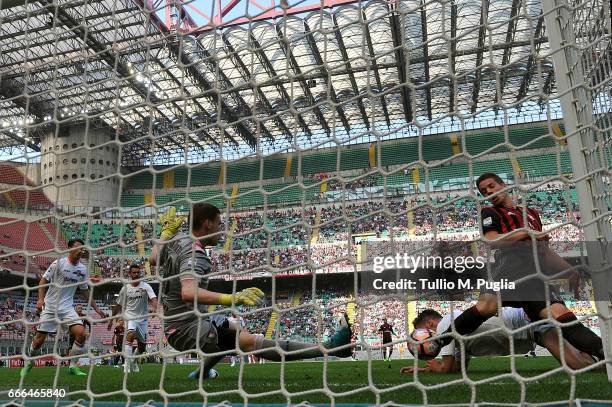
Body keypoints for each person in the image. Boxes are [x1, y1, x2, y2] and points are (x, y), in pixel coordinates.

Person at [151, 204, 353, 381]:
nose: (221, 231)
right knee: (249, 343)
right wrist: (232, 298)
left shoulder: (177, 239)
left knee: (235, 328)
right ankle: (330, 347)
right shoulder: (196, 253)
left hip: (185, 320)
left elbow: (153, 259)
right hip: (184, 328)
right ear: (207, 224)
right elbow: (188, 292)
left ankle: (202, 373)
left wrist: (165, 233)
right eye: (219, 225)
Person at [438, 173, 604, 362]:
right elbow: (492, 240)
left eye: (491, 186)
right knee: (487, 307)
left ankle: (603, 352)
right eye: (483, 191)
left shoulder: (532, 214)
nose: (488, 192)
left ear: (503, 185)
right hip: (508, 268)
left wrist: (569, 270)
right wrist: (523, 232)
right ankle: (441, 341)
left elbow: (543, 251)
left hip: (533, 276)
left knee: (559, 314)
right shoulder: (490, 212)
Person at [402, 308, 594, 374]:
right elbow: (456, 370)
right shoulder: (457, 335)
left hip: (529, 323)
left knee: (581, 365)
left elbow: (446, 368)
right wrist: (427, 368)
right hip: (531, 331)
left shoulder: (446, 325)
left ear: (429, 323)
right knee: (583, 356)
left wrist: (438, 367)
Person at [21, 238, 106, 377]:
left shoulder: (82, 269)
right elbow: (43, 280)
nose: (81, 250)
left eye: (82, 247)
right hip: (50, 307)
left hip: (67, 308)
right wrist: (40, 299)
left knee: (81, 333)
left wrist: (96, 309)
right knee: (38, 341)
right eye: (78, 247)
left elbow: (85, 290)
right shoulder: (58, 263)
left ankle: (72, 366)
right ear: (70, 249)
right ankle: (30, 361)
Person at [108, 263, 158, 373]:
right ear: (130, 274)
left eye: (138, 272)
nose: (136, 274)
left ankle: (134, 361)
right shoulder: (125, 288)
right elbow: (118, 305)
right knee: (130, 335)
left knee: (142, 348)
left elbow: (153, 298)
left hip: (143, 320)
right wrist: (112, 320)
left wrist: (155, 308)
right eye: (134, 272)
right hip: (129, 317)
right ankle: (127, 365)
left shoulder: (146, 286)